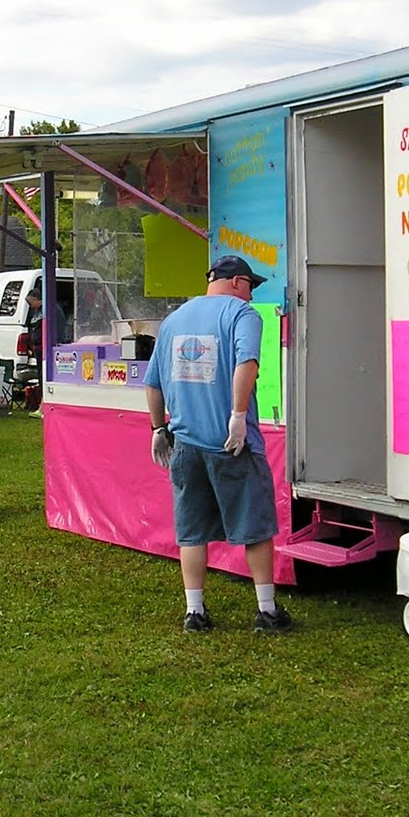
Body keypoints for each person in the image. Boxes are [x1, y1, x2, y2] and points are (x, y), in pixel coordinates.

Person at [143, 254, 291, 635]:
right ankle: (267, 611)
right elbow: (248, 364)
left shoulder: (174, 320)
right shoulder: (244, 316)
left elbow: (153, 382)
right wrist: (238, 416)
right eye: (251, 288)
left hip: (186, 445)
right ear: (239, 282)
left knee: (191, 530)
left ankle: (195, 612)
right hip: (232, 445)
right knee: (254, 526)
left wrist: (158, 428)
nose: (251, 295)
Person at [21, 280, 68, 413]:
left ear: (36, 299)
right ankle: (42, 405)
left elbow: (57, 328)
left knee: (47, 377)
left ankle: (45, 406)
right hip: (37, 349)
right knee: (41, 377)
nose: (30, 306)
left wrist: (55, 344)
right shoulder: (37, 312)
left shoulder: (52, 310)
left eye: (30, 302)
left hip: (46, 349)